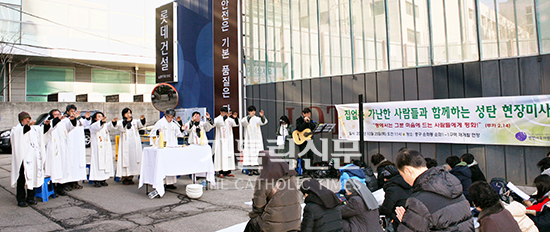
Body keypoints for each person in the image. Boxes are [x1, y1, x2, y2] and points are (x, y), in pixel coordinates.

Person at [394, 149, 473, 231]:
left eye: (402, 175)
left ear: (408, 171)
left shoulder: (418, 202)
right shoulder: (453, 187)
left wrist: (408, 222)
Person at [245, 151, 301, 232]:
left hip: (273, 226)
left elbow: (258, 206)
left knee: (253, 223)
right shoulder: (290, 177)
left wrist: (253, 215)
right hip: (295, 224)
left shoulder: (263, 180)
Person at [11, 112, 49, 207]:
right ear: (21, 120)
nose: (28, 120)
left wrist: (47, 125)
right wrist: (27, 127)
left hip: (32, 158)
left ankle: (30, 198)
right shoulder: (16, 129)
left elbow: (42, 132)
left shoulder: (34, 128)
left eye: (29, 118)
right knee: (22, 180)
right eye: (25, 119)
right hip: (22, 159)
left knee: (32, 177)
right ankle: (21, 199)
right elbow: (21, 133)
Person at [45, 108, 78, 196]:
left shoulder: (64, 123)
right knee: (54, 168)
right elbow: (48, 130)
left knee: (63, 167)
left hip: (63, 150)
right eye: (55, 114)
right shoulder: (50, 123)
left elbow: (72, 126)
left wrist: (73, 119)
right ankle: (53, 188)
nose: (58, 116)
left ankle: (60, 188)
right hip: (53, 150)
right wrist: (57, 120)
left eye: (59, 114)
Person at [150, 109, 184, 189]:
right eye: (169, 117)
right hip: (164, 147)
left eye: (172, 117)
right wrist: (157, 138)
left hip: (172, 147)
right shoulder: (160, 123)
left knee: (171, 165)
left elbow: (179, 134)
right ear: (165, 115)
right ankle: (162, 182)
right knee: (163, 165)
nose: (171, 119)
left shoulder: (174, 124)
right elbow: (153, 133)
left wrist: (182, 128)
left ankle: (170, 183)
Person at [115, 108, 145, 185]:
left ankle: (131, 177)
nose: (129, 115)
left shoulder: (134, 121)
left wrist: (142, 119)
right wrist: (126, 122)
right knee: (125, 160)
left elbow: (141, 124)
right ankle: (125, 177)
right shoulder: (120, 122)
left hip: (134, 144)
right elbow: (120, 128)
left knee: (134, 159)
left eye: (130, 113)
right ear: (123, 114)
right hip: (125, 144)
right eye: (127, 113)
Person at [64, 104, 90, 191]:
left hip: (78, 146)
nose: (73, 113)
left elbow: (86, 124)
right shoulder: (65, 120)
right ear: (67, 112)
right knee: (69, 164)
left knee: (77, 164)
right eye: (71, 111)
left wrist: (87, 118)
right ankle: (67, 183)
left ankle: (75, 181)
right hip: (69, 145)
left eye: (74, 111)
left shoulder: (79, 120)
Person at [378, 165, 412, 231]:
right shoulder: (406, 183)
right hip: (408, 216)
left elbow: (386, 209)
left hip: (396, 219)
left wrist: (377, 210)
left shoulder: (392, 189)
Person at [88, 112, 116, 187]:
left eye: (102, 116)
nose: (101, 117)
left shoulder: (105, 126)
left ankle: (104, 179)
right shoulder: (93, 126)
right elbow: (97, 127)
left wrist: (113, 122)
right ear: (95, 118)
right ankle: (96, 180)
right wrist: (101, 122)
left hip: (105, 147)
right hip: (97, 148)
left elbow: (110, 127)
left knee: (106, 162)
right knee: (97, 163)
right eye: (99, 116)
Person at [212, 107, 239, 178]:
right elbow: (217, 124)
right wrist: (225, 117)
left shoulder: (230, 120)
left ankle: (228, 171)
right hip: (221, 140)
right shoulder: (217, 119)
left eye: (226, 112)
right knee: (221, 155)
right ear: (220, 112)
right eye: (223, 112)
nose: (225, 114)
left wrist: (235, 118)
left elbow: (236, 124)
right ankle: (221, 172)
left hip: (228, 140)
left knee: (228, 155)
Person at [241, 105, 267, 175]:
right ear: (248, 112)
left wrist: (262, 116)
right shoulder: (246, 119)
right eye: (251, 111)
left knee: (256, 154)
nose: (252, 112)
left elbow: (263, 122)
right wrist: (249, 117)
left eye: (253, 111)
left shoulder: (257, 119)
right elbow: (243, 122)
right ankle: (250, 170)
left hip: (257, 139)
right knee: (249, 154)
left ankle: (256, 170)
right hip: (249, 139)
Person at [295, 108, 317, 176]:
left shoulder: (310, 121)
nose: (308, 115)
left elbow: (313, 127)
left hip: (309, 140)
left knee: (310, 155)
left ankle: (310, 170)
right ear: (303, 114)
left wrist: (309, 122)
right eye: (306, 114)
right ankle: (305, 171)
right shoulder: (299, 120)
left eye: (309, 114)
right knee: (304, 155)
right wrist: (305, 122)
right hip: (302, 140)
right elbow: (299, 128)